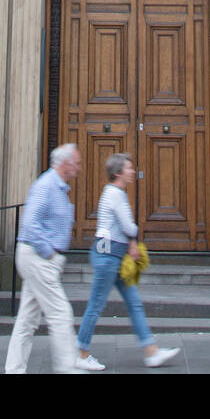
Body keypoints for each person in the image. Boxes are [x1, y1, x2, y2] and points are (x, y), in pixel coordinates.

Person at [76, 153, 179, 370]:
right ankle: (82, 353)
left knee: (133, 303)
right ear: (118, 173)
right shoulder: (115, 194)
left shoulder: (113, 193)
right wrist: (133, 237)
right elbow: (128, 225)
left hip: (115, 255)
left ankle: (151, 351)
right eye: (129, 169)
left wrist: (130, 241)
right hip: (108, 257)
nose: (133, 172)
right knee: (96, 306)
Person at [5, 143, 82, 374]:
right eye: (76, 164)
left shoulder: (58, 188)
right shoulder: (46, 186)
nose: (79, 168)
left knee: (27, 319)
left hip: (39, 257)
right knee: (60, 313)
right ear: (65, 163)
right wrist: (49, 252)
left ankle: (14, 369)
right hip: (37, 257)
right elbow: (29, 223)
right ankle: (68, 367)